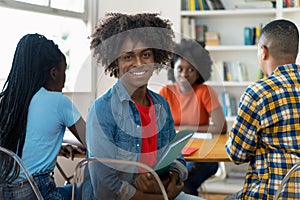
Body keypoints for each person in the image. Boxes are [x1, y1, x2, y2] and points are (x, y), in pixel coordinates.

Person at [87, 13, 204, 200]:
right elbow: (105, 187)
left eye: (146, 55)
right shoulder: (102, 110)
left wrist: (171, 181)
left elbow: (176, 157)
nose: (139, 64)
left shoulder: (161, 105)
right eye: (128, 57)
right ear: (115, 61)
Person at [0, 33, 86, 200]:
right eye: (64, 70)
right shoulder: (59, 102)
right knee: (86, 190)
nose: (64, 77)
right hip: (38, 194)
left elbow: (22, 143)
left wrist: (57, 145)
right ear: (54, 73)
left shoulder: (7, 101)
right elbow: (93, 142)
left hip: (6, 193)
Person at [225, 19, 300, 199]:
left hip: (272, 194)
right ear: (296, 52)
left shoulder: (258, 92)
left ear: (263, 51)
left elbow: (237, 154)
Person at [159, 38, 227, 196]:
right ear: (173, 70)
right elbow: (159, 129)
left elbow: (221, 127)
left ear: (199, 72)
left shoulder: (205, 92)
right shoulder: (165, 92)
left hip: (204, 157)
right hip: (176, 154)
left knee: (184, 183)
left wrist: (185, 129)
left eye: (191, 70)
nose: (184, 74)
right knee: (174, 181)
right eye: (180, 69)